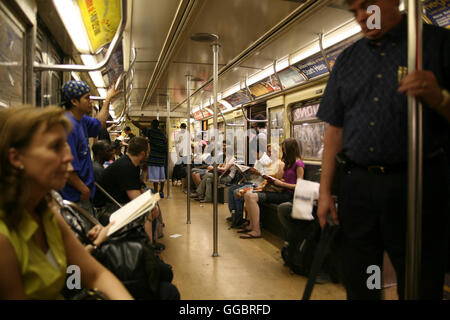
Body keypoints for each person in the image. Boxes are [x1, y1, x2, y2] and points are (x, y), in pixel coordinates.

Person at [316, 0, 450, 300]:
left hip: (418, 183)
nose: (362, 17)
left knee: (419, 282)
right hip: (359, 189)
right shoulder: (348, 60)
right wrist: (325, 191)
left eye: (368, 6)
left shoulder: (436, 44)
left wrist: (439, 97)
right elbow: (335, 129)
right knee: (364, 280)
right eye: (354, 12)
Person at [0, 106, 133, 299]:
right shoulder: (4, 241)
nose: (69, 157)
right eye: (55, 147)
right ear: (16, 157)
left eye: (66, 145)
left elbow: (96, 274)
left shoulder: (46, 214)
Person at [59, 80, 121, 216]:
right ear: (74, 102)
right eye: (87, 98)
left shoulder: (81, 120)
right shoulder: (68, 126)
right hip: (75, 195)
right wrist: (83, 189)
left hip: (83, 192)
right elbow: (67, 167)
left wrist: (108, 99)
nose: (90, 102)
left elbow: (99, 123)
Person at [97, 136, 159, 242]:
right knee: (146, 212)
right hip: (106, 208)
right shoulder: (126, 166)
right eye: (148, 152)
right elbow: (136, 198)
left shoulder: (132, 164)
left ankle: (150, 241)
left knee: (152, 205)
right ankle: (149, 247)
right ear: (143, 153)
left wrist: (153, 202)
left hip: (116, 202)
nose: (149, 155)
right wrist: (151, 205)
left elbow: (140, 188)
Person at [240, 138, 304, 239]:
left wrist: (281, 184)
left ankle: (256, 230)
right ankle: (252, 225)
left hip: (288, 194)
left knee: (251, 197)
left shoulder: (299, 164)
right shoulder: (288, 163)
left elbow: (299, 186)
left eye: (285, 149)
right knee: (247, 195)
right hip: (280, 191)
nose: (284, 152)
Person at [144, 119, 168, 198]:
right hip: (161, 158)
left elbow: (141, 127)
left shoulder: (151, 132)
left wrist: (132, 120)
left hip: (153, 158)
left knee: (155, 178)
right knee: (162, 177)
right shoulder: (162, 134)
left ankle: (156, 192)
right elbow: (165, 145)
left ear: (151, 125)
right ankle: (161, 191)